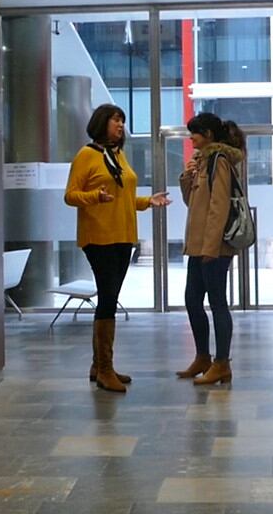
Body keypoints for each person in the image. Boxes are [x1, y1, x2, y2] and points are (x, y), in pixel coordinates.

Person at [64, 104, 170, 392]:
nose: (120, 125)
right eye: (115, 120)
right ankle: (105, 369)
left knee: (109, 298)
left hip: (124, 235)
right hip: (99, 237)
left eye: (122, 120)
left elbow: (124, 198)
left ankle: (99, 365)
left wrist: (148, 201)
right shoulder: (87, 155)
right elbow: (70, 195)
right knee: (108, 299)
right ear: (101, 123)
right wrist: (94, 197)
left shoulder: (117, 155)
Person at [175, 112, 246, 385]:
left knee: (217, 302)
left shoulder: (220, 161)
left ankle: (222, 363)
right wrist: (187, 175)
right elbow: (191, 201)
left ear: (208, 135)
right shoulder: (202, 162)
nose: (190, 136)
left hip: (214, 247)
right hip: (198, 245)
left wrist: (212, 246)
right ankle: (203, 357)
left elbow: (219, 207)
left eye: (195, 132)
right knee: (192, 300)